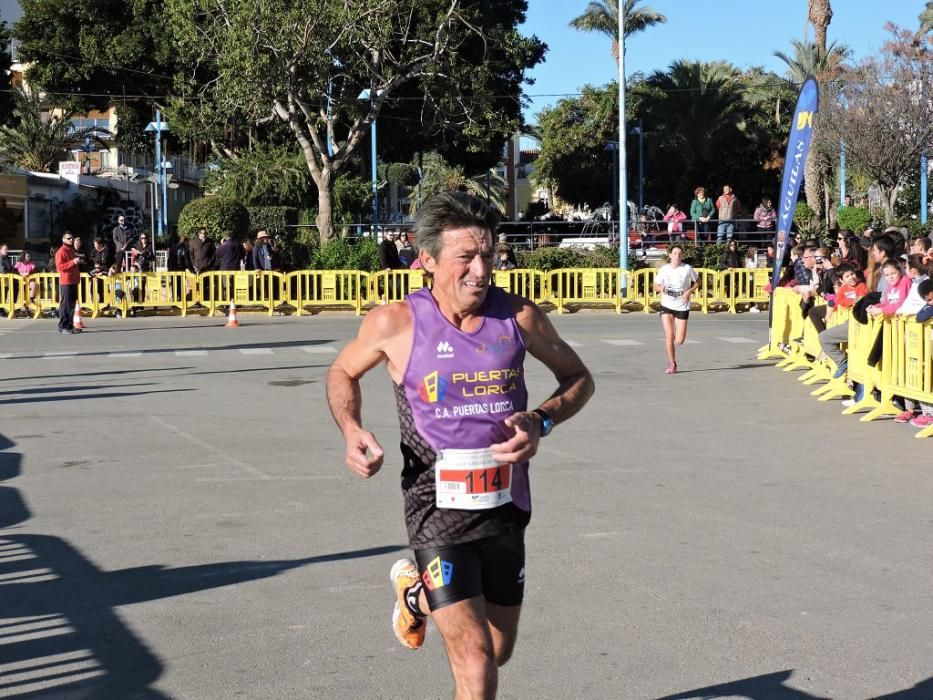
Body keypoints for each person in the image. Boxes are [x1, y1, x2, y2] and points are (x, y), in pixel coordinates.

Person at [325, 192, 594, 699]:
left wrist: (542, 421)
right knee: (475, 666)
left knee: (498, 649)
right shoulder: (396, 323)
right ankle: (426, 587)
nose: (480, 270)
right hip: (435, 508)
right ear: (426, 260)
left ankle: (415, 595)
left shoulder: (519, 318)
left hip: (505, 505)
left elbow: (578, 377)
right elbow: (342, 370)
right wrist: (352, 428)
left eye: (488, 255)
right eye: (465, 258)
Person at [654, 244, 699, 374]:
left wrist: (689, 291)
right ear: (670, 255)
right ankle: (672, 363)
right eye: (674, 253)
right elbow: (655, 286)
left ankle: (675, 343)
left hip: (682, 305)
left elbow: (698, 282)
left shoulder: (687, 268)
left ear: (682, 256)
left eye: (679, 254)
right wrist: (660, 288)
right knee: (669, 336)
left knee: (679, 340)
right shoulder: (664, 269)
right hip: (667, 304)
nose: (677, 256)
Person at [55, 231, 84, 334]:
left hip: (73, 281)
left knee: (72, 305)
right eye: (68, 238)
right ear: (63, 239)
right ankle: (63, 326)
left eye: (72, 238)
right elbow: (59, 267)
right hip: (66, 281)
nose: (71, 240)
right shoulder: (61, 251)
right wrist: (73, 262)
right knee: (66, 305)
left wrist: (77, 262)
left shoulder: (71, 250)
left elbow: (72, 265)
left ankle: (70, 325)